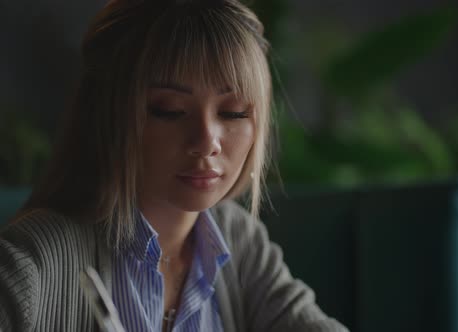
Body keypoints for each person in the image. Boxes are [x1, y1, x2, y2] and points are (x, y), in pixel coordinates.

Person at [0, 0, 348, 331]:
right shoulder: (31, 261)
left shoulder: (239, 241)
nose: (207, 141)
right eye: (169, 110)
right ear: (107, 115)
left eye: (233, 112)